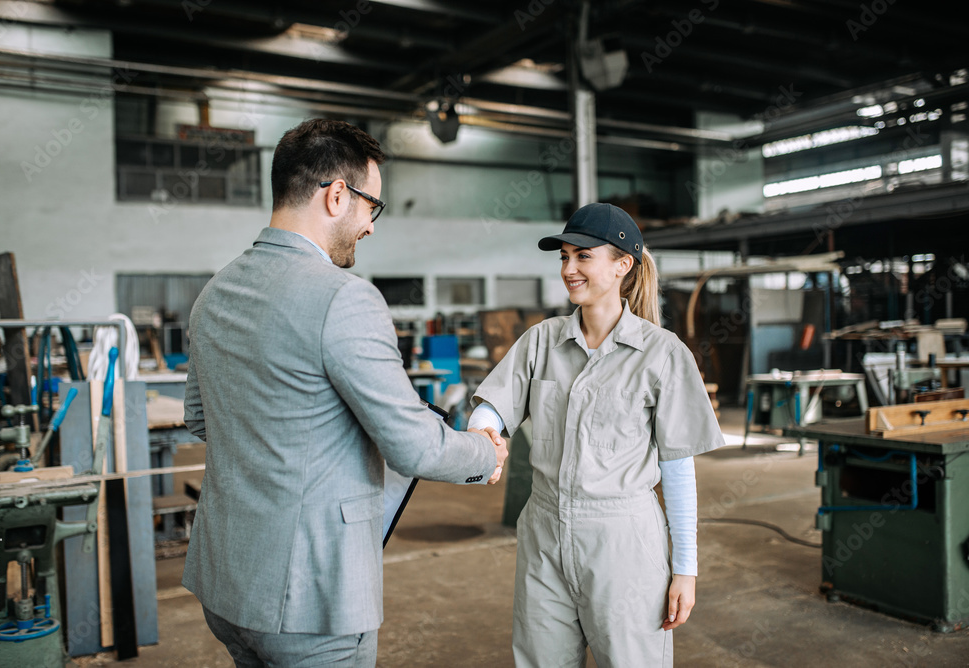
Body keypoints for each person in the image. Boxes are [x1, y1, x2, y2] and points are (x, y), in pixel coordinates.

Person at [183, 118, 508, 668]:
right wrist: (484, 453)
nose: (371, 226)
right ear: (337, 195)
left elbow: (200, 418)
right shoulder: (345, 299)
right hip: (311, 601)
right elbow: (415, 447)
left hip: (227, 585)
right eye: (371, 207)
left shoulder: (216, 291)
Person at [467, 202, 725, 667]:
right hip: (543, 534)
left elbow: (677, 468)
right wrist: (485, 434)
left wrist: (685, 568)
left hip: (623, 541)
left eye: (583, 256)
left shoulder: (662, 354)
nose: (569, 269)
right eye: (564, 257)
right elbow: (492, 405)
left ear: (623, 265)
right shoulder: (541, 341)